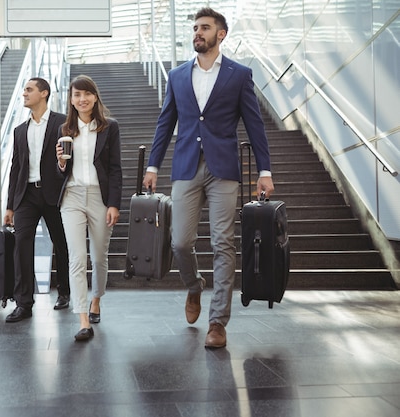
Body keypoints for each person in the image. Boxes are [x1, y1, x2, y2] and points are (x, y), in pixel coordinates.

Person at [143, 7, 275, 348]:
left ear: (221, 34)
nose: (198, 33)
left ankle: (218, 322)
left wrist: (265, 170)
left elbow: (255, 125)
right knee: (180, 242)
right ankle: (193, 286)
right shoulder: (176, 76)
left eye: (205, 28)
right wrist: (153, 165)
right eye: (196, 28)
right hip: (186, 165)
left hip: (223, 169)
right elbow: (165, 123)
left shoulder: (239, 75)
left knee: (222, 242)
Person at [56, 75, 122, 342]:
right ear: (71, 100)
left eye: (86, 94)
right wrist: (60, 164)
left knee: (98, 256)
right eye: (76, 95)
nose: (81, 99)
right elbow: (61, 171)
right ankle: (83, 318)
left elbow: (115, 169)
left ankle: (96, 299)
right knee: (77, 258)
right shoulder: (65, 130)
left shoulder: (109, 127)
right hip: (71, 196)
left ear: (95, 96)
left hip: (99, 197)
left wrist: (114, 203)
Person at [4, 77, 71, 323]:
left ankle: (64, 291)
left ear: (44, 93)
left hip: (54, 193)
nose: (24, 94)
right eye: (24, 90)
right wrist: (10, 205)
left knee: (61, 244)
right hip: (26, 195)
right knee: (22, 245)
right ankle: (24, 303)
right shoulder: (20, 130)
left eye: (29, 90)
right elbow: (15, 168)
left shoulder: (62, 122)